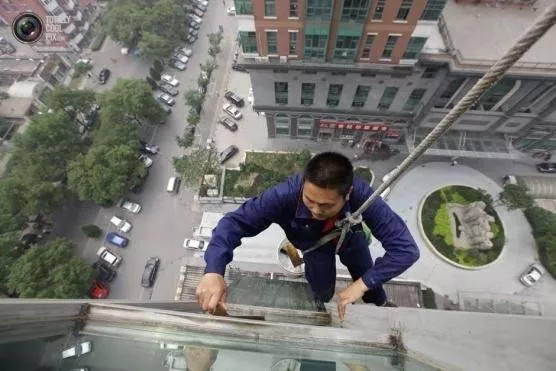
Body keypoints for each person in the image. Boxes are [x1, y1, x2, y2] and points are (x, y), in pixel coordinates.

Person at [196, 152, 419, 321]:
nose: (316, 210)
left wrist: (360, 286)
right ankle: (320, 311)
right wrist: (214, 270)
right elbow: (234, 223)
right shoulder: (285, 196)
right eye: (309, 200)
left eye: (326, 205)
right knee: (322, 291)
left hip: (350, 236)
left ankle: (380, 305)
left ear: (347, 194)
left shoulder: (362, 195)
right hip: (314, 246)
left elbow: (406, 250)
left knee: (368, 277)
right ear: (304, 184)